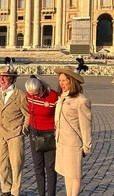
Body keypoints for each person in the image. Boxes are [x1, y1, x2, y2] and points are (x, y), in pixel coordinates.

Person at [0, 61, 30, 196]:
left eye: (5, 76)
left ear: (13, 79)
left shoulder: (20, 95)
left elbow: (28, 114)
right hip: (2, 133)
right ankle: (6, 189)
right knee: (1, 164)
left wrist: (23, 129)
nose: (2, 79)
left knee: (16, 165)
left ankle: (15, 191)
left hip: (15, 134)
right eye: (0, 77)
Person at [54, 66, 92, 196]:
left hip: (73, 143)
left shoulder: (81, 101)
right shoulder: (62, 97)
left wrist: (87, 146)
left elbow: (86, 126)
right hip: (61, 141)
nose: (61, 83)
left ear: (72, 81)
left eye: (64, 80)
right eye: (60, 80)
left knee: (74, 174)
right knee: (66, 173)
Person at [25, 76, 58, 196]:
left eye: (36, 93)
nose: (35, 96)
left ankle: (51, 194)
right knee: (38, 166)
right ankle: (41, 193)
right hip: (35, 133)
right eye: (32, 94)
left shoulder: (53, 96)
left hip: (49, 133)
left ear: (41, 87)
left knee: (50, 167)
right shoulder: (29, 95)